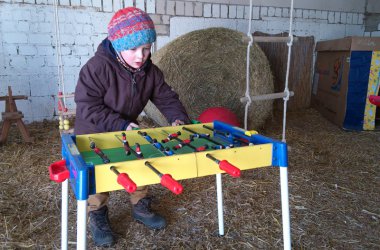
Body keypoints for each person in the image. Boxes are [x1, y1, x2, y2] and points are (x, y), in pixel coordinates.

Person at [74, 7, 190, 247]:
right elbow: (87, 106)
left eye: (146, 49)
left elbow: (167, 98)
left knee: (139, 162)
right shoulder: (97, 68)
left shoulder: (150, 72)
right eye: (133, 49)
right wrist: (120, 123)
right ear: (118, 45)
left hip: (127, 129)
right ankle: (97, 212)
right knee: (98, 175)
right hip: (94, 130)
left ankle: (140, 205)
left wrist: (178, 119)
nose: (141, 56)